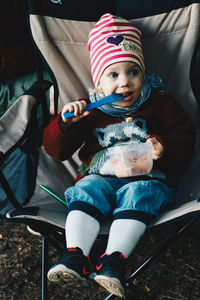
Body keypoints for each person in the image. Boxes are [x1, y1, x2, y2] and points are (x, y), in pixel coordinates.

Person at [43, 13, 195, 298]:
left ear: (142, 72)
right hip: (100, 176)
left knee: (140, 192)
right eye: (113, 74)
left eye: (133, 72)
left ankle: (113, 261)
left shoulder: (160, 103)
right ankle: (75, 255)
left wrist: (164, 145)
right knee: (87, 188)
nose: (124, 83)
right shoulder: (90, 110)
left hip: (147, 177)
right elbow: (55, 151)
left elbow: (186, 136)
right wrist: (66, 125)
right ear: (98, 82)